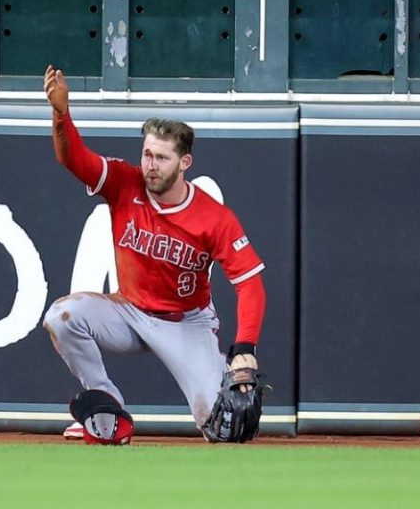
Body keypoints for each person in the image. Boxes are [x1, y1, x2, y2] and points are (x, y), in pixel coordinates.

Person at [41, 65, 266, 443]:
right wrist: (61, 114)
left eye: (162, 158)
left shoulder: (213, 218)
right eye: (147, 154)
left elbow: (250, 284)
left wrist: (244, 347)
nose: (150, 165)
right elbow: (73, 159)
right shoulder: (123, 182)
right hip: (128, 311)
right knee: (62, 317)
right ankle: (105, 408)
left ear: (184, 163)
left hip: (186, 323)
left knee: (226, 427)